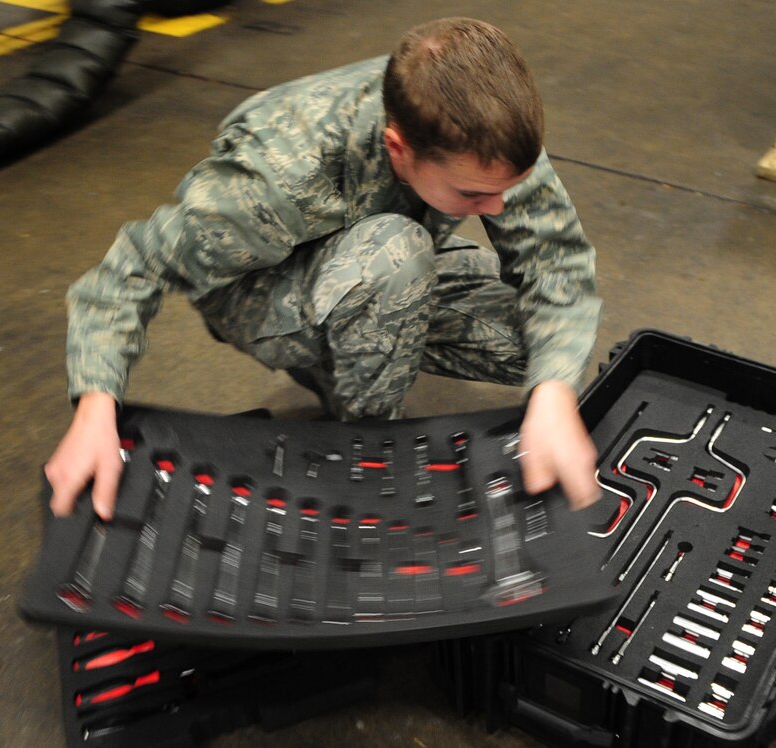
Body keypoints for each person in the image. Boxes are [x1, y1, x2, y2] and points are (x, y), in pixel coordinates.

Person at [45, 17, 603, 520]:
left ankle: (345, 352)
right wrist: (96, 411)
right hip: (258, 291)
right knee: (395, 252)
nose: (499, 208)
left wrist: (552, 393)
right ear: (399, 147)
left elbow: (557, 265)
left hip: (376, 261)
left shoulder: (487, 133)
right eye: (474, 194)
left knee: (542, 349)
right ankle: (363, 448)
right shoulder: (276, 176)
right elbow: (131, 269)